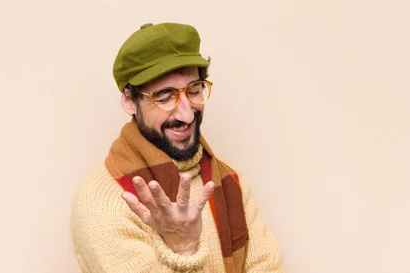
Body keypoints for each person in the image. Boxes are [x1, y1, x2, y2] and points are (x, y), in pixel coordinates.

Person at [70, 22, 285, 273]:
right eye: (164, 96)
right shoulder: (103, 201)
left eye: (194, 90)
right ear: (129, 101)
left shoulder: (229, 179)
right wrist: (183, 249)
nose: (186, 114)